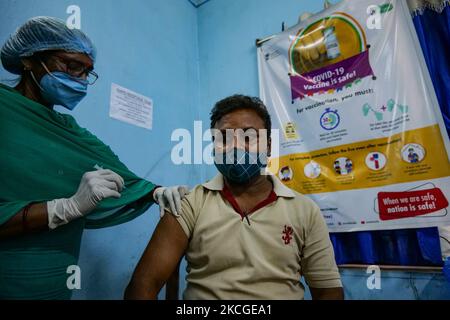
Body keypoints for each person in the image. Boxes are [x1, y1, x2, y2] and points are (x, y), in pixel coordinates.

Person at [0, 16, 187, 299]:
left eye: (88, 72)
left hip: (54, 285)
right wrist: (65, 208)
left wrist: (158, 191)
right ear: (29, 60)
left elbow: (123, 176)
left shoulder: (68, 131)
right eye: (73, 66)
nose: (82, 81)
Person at [125, 95, 344, 300]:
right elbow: (144, 284)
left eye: (249, 136)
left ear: (268, 146)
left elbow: (328, 292)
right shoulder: (189, 204)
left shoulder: (305, 211)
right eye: (224, 138)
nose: (236, 146)